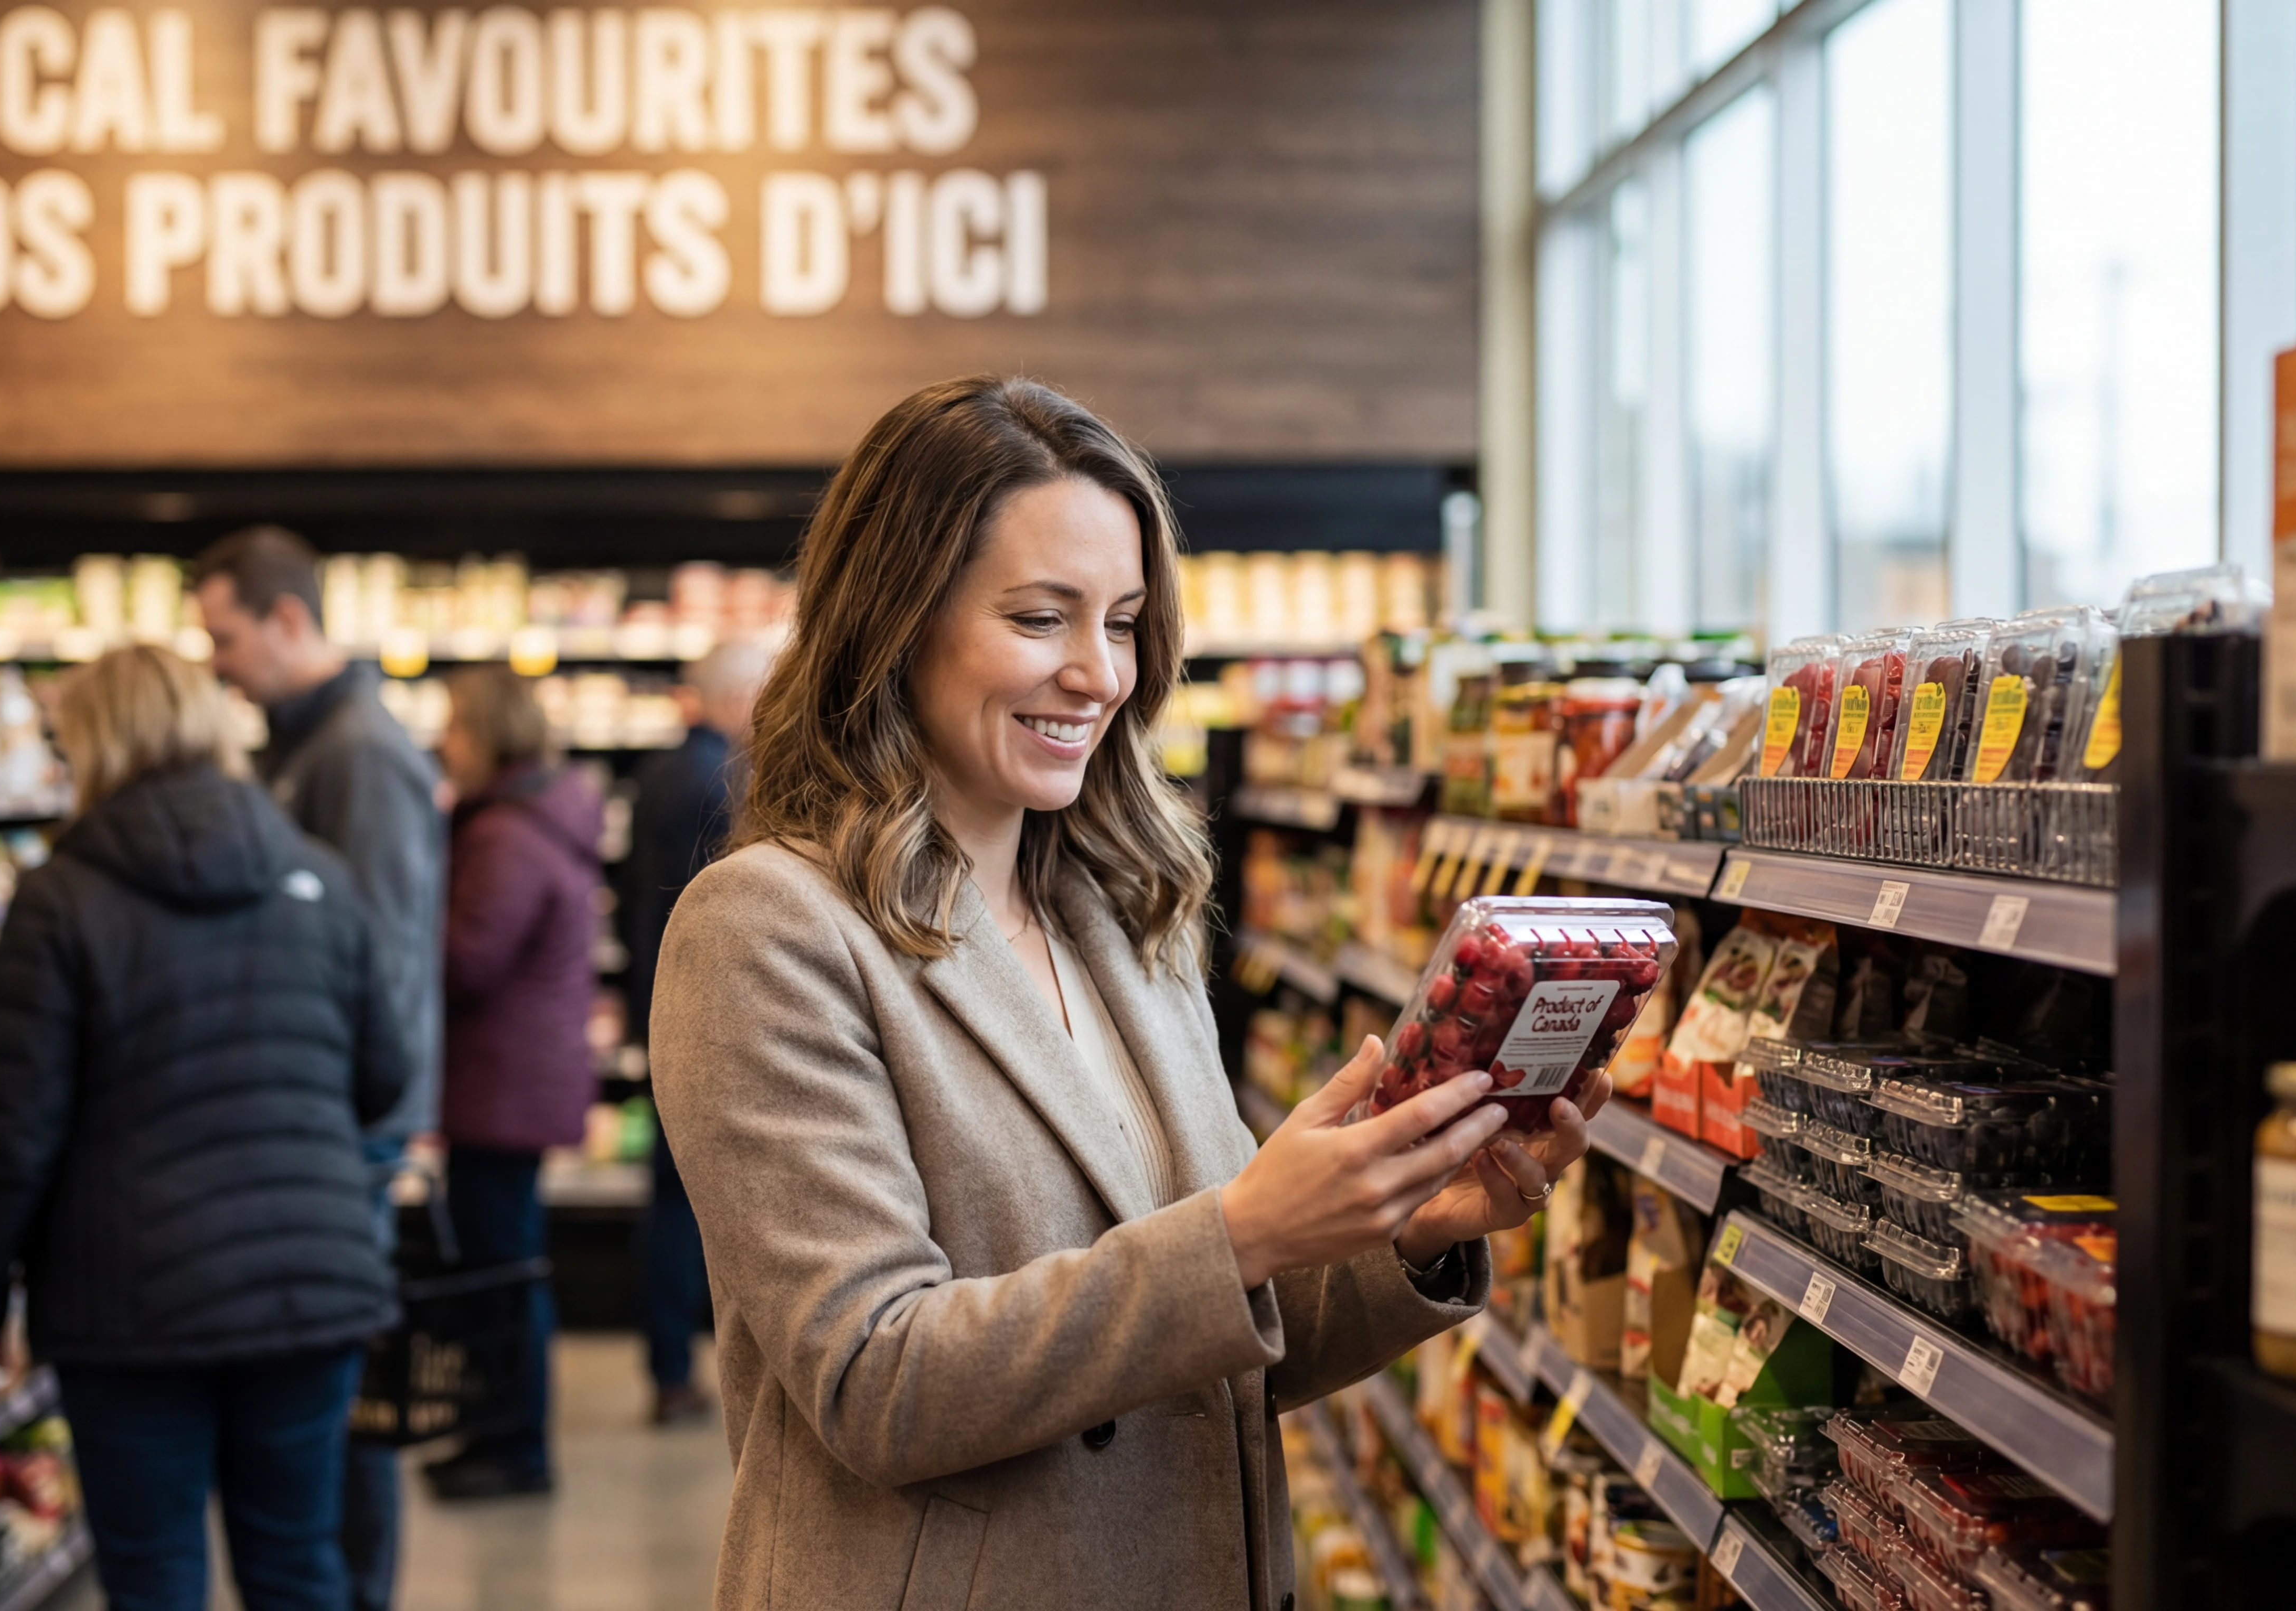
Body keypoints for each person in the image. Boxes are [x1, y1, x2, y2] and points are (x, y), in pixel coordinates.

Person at [650, 376, 1601, 1610]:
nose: (1099, 675)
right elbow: (872, 1380)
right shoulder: (770, 929)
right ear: (893, 621)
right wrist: (1248, 1227)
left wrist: (1398, 1226)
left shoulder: (1121, 917)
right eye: (1042, 618)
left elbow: (1215, 1349)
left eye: (1124, 621)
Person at [0, 645, 411, 1611]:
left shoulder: (61, 899)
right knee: (297, 1565)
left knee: (154, 1576)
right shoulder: (317, 878)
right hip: (307, 1287)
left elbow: (13, 1130)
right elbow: (384, 1080)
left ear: (95, 742)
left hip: (132, 1304)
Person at [193, 524, 443, 1611]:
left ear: (288, 621)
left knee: (346, 1408)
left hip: (346, 1127)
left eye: (225, 635)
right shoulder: (301, 744)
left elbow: (384, 957)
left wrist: (372, 1120)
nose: (216, 662)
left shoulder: (355, 753)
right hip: (322, 1122)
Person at [424, 667, 605, 1499]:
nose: (444, 743)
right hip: (519, 1076)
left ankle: (513, 1446)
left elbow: (470, 960)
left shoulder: (504, 834)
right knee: (507, 1265)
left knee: (499, 1273)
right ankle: (497, 1433)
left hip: (499, 1083)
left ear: (488, 732)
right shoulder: (541, 814)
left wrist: (404, 937)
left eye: (456, 727)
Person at [621, 638, 772, 1424]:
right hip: (707, 1018)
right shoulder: (724, 783)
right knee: (692, 1204)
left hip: (661, 1002)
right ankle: (679, 1366)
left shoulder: (660, 773)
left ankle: (670, 1364)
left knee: (674, 1196)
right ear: (742, 695)